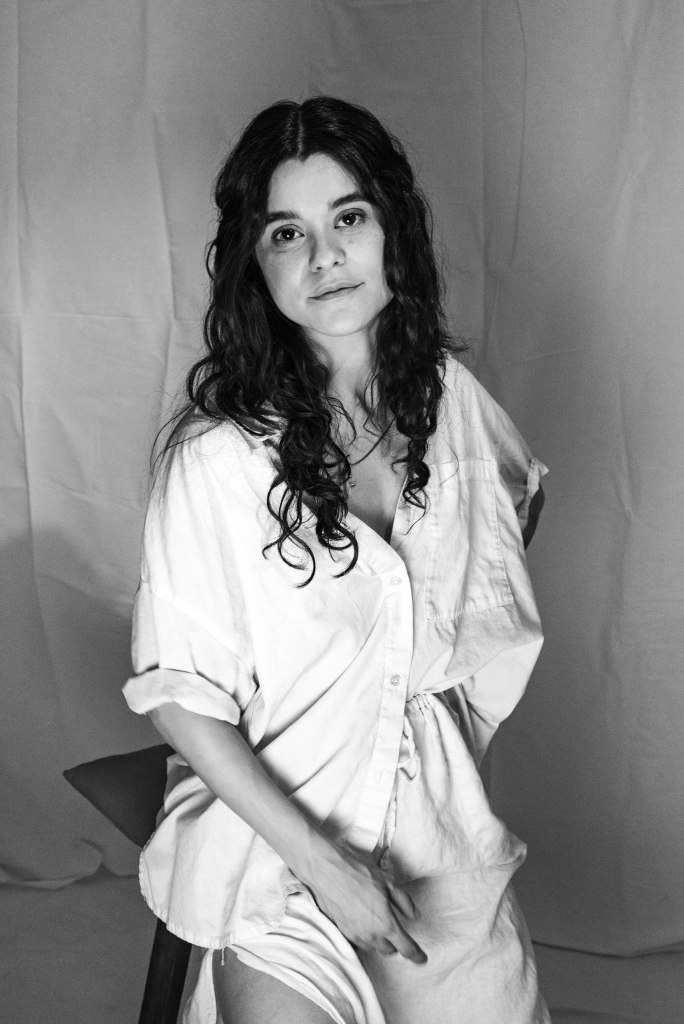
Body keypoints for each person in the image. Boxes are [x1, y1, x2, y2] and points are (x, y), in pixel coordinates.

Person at [123, 96, 550, 1024]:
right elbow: (179, 697)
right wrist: (329, 870)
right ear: (256, 262)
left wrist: (425, 669)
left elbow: (512, 504)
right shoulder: (217, 458)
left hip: (442, 844)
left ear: (392, 229)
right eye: (288, 232)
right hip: (280, 847)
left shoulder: (451, 401)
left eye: (348, 218)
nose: (325, 256)